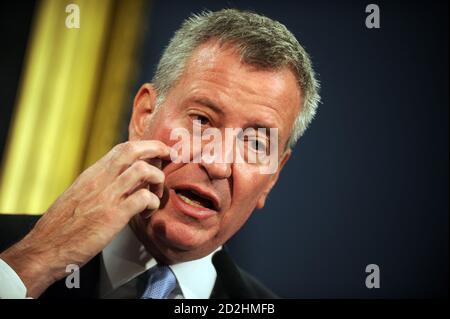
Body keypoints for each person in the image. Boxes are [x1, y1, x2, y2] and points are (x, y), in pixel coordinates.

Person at [0, 8, 320, 299]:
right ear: (144, 115)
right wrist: (34, 264)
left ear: (272, 178)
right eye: (201, 120)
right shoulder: (14, 257)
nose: (218, 163)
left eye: (255, 143)